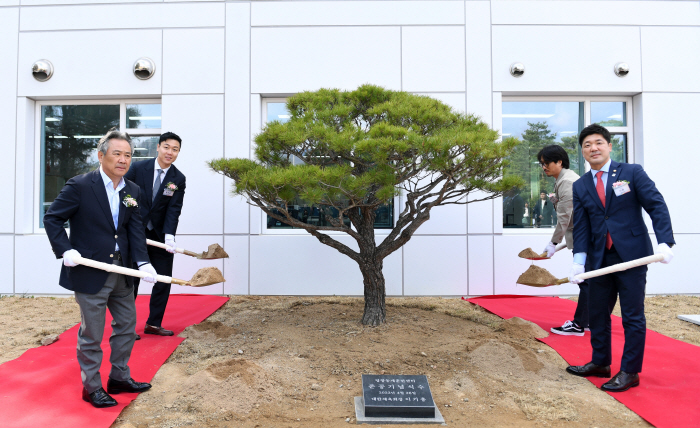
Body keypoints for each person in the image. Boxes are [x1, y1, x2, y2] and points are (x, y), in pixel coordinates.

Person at [44, 130, 158, 408]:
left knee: (127, 326)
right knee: (92, 333)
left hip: (123, 271)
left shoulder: (133, 190)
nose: (123, 160)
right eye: (117, 153)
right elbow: (52, 219)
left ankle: (119, 377)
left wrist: (143, 262)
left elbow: (134, 230)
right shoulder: (80, 186)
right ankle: (91, 387)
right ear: (101, 155)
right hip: (90, 270)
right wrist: (65, 250)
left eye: (128, 155)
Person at [565, 124, 674, 392]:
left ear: (610, 146)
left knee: (632, 317)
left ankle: (630, 371)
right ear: (582, 151)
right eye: (587, 145)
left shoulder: (631, 172)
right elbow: (582, 225)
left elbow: (656, 205)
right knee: (598, 315)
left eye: (599, 142)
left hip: (632, 257)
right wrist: (579, 260)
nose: (594, 148)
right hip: (599, 260)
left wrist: (664, 242)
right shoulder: (580, 185)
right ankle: (601, 363)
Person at [125, 132, 186, 337]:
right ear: (158, 147)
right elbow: (124, 195)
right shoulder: (137, 168)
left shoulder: (178, 178)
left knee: (163, 279)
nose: (170, 152)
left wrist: (170, 235)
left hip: (160, 236)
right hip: (135, 233)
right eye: (167, 147)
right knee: (132, 279)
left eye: (175, 149)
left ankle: (154, 323)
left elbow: (173, 209)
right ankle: (125, 327)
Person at [537, 145, 589, 336]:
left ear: (559, 161)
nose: (544, 167)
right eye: (541, 164)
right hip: (582, 235)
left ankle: (579, 324)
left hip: (584, 237)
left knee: (586, 280)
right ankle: (589, 320)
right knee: (590, 280)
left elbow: (564, 218)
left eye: (547, 163)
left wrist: (553, 243)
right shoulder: (564, 179)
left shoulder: (567, 181)